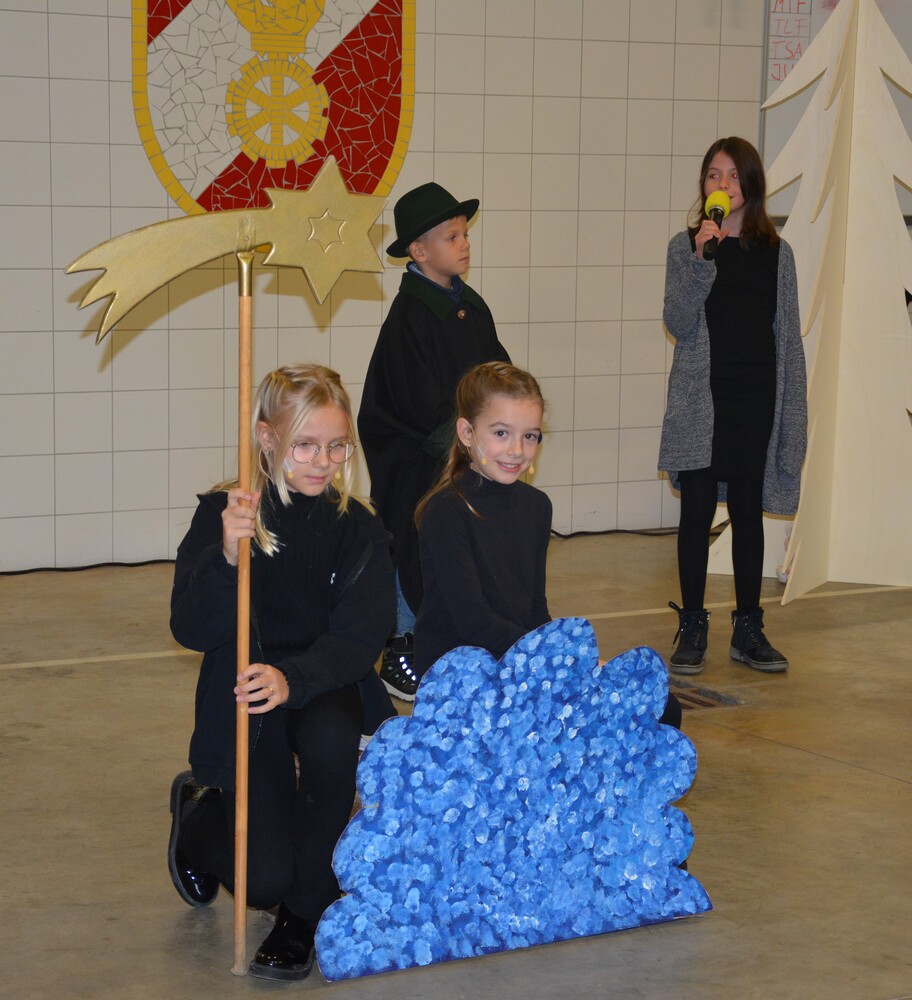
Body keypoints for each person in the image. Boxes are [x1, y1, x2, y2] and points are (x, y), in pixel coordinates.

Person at [167, 364, 394, 981]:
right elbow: (189, 627)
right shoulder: (226, 514)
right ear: (266, 438)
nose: (324, 462)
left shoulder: (359, 528)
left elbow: (361, 637)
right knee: (263, 878)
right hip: (248, 693)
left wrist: (294, 678)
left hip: (323, 682)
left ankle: (302, 914)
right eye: (305, 446)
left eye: (337, 446)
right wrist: (225, 557)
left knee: (332, 737)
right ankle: (197, 820)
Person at [414, 362, 682, 729]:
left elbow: (534, 609)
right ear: (466, 432)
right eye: (501, 433)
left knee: (662, 708)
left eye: (530, 436)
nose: (516, 450)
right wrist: (559, 658)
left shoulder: (536, 507)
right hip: (462, 673)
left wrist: (571, 662)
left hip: (523, 661)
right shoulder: (446, 511)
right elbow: (474, 621)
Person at [658, 136, 807, 676]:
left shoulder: (777, 254)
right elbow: (678, 320)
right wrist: (704, 258)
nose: (722, 184)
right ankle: (693, 623)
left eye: (733, 176)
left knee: (747, 509)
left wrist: (793, 413)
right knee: (696, 508)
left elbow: (788, 337)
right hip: (703, 396)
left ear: (751, 186)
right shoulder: (686, 246)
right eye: (713, 175)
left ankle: (748, 628)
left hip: (755, 395)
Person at [358, 182, 510, 704]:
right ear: (418, 252)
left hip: (461, 451)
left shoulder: (472, 307)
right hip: (413, 457)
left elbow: (497, 375)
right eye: (452, 237)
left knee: (461, 546)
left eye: (464, 234)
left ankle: (463, 638)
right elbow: (418, 403)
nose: (464, 244)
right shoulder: (410, 317)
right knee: (414, 539)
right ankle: (402, 643)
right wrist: (469, 442)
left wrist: (504, 426)